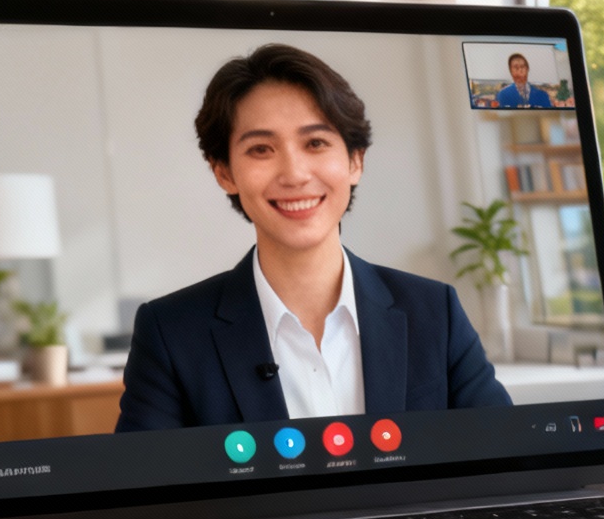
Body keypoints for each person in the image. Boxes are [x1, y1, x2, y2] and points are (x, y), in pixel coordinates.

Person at [116, 44, 511, 431]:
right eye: (261, 149)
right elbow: (142, 493)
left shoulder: (434, 313)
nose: (294, 173)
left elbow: (507, 460)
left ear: (356, 160)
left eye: (315, 143)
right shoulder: (170, 334)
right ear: (224, 172)